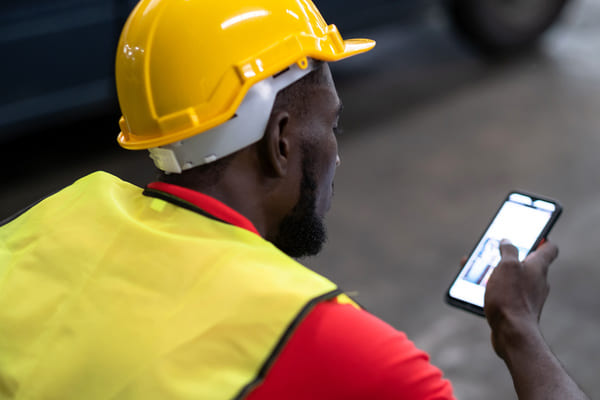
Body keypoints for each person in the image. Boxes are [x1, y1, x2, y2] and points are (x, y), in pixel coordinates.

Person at [0, 0, 589, 399]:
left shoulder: (45, 224)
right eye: (330, 126)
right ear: (281, 140)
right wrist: (517, 328)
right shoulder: (328, 343)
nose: (336, 154)